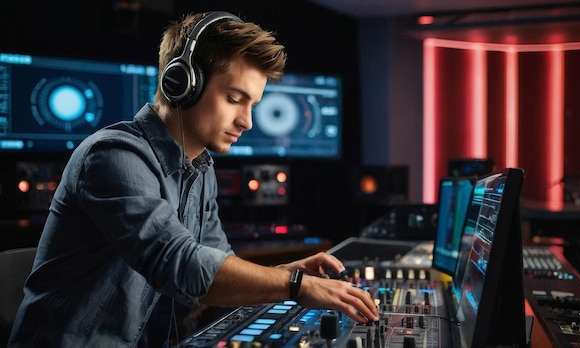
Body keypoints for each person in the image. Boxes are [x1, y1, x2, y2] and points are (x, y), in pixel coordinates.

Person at [9, 11, 378, 347]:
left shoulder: (200, 168)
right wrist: (294, 286)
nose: (247, 122)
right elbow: (180, 264)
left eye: (253, 105)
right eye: (235, 98)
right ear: (183, 82)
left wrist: (281, 274)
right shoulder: (112, 156)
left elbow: (215, 270)